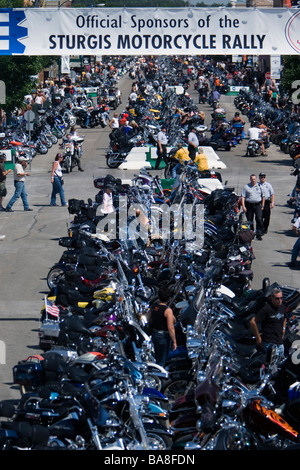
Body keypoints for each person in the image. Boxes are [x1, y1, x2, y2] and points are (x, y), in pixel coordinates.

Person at [249, 287, 287, 359]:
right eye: (277, 298)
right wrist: (258, 338)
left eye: (281, 298)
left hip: (280, 343)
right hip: (269, 344)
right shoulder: (266, 309)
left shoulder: (283, 307)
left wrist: (284, 329)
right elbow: (252, 322)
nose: (280, 300)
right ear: (272, 298)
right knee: (271, 367)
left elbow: (285, 317)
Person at [149, 288, 177, 367]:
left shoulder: (154, 307)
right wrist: (174, 341)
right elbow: (170, 327)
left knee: (156, 357)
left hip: (154, 334)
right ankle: (159, 377)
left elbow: (149, 319)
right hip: (163, 337)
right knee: (162, 361)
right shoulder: (168, 310)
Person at [241, 174, 265, 240]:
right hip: (249, 205)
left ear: (256, 179)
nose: (253, 180)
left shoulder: (260, 186)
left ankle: (259, 234)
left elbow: (263, 196)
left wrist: (262, 205)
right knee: (250, 220)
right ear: (250, 179)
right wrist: (243, 206)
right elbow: (243, 196)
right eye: (252, 179)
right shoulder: (246, 187)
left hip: (257, 205)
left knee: (259, 219)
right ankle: (251, 234)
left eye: (254, 179)